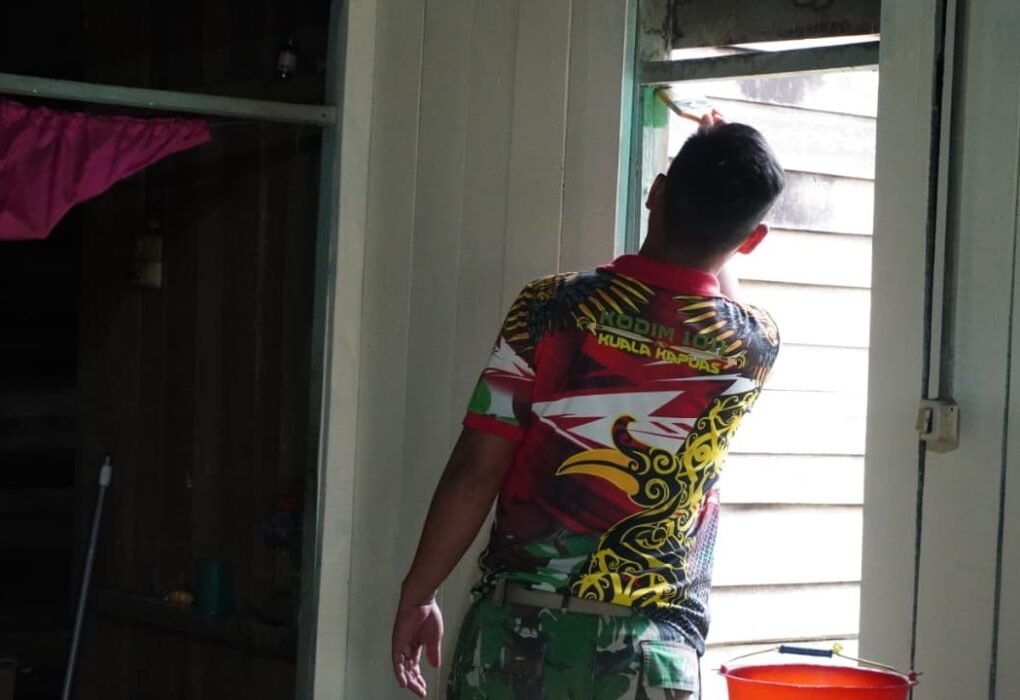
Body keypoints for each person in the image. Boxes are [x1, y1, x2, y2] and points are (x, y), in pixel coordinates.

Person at [392, 113, 786, 699]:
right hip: (652, 657)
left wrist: (419, 593)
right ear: (751, 242)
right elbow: (720, 304)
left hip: (517, 639)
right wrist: (728, 210)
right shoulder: (753, 344)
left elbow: (475, 470)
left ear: (655, 193)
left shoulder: (549, 308)